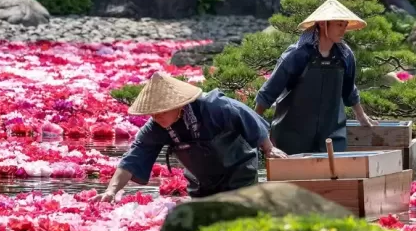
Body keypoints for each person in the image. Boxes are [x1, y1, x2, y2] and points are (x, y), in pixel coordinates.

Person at [92, 72, 287, 203]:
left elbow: (249, 118)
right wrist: (111, 190)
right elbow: (132, 159)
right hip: (202, 183)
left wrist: (269, 149)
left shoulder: (214, 107)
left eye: (160, 111)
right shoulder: (156, 127)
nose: (156, 116)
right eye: (152, 113)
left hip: (238, 174)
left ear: (178, 105)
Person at [255, 0, 378, 156]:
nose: (343, 29)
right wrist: (254, 128)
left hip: (331, 137)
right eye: (339, 24)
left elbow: (349, 90)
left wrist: (361, 116)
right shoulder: (297, 55)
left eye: (345, 25)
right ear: (322, 23)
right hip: (292, 137)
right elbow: (267, 93)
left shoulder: (345, 56)